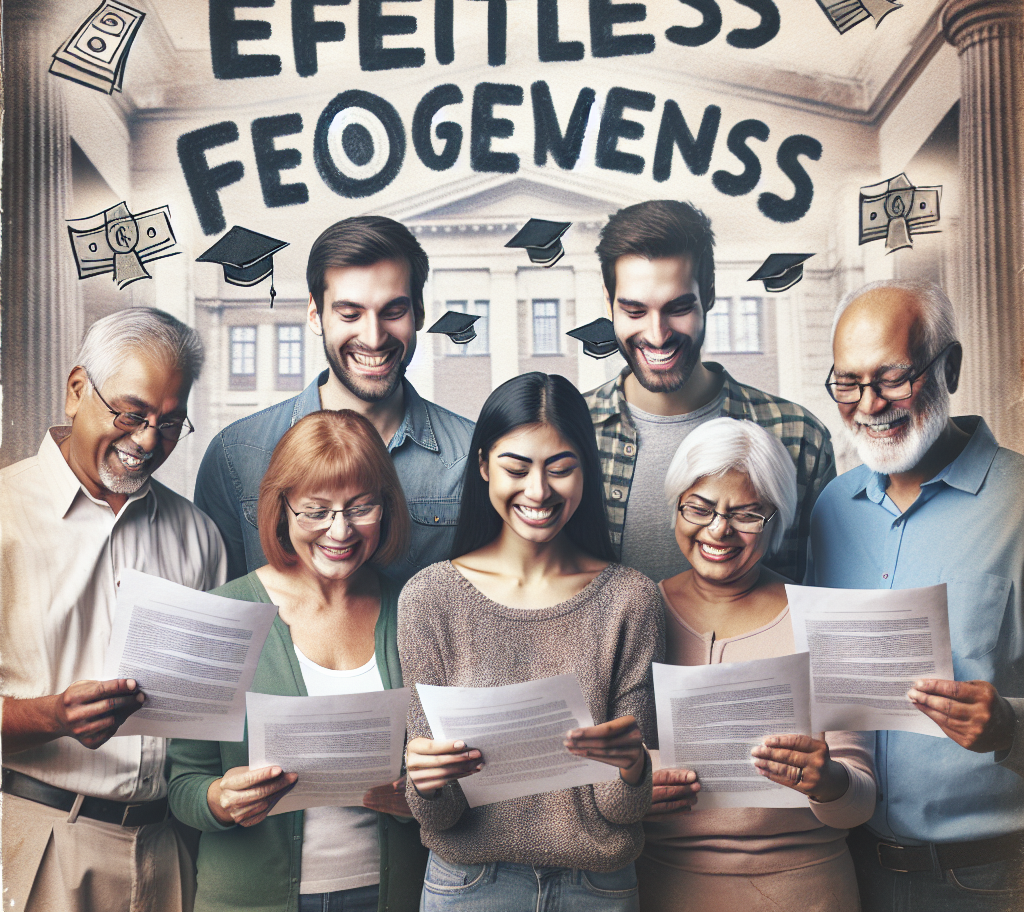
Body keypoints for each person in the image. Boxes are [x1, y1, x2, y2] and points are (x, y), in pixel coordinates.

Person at [398, 372, 664, 911]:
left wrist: (633, 767)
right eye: (516, 469)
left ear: (586, 469)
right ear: (483, 467)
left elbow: (622, 809)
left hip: (598, 889)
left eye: (560, 469)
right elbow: (440, 814)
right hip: (469, 885)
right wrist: (424, 782)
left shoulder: (630, 599)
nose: (538, 491)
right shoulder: (430, 599)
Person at [807, 279, 1024, 911]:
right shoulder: (832, 509)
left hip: (989, 879)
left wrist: (1010, 725)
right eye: (848, 383)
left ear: (949, 366)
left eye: (892, 378)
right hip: (853, 872)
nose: (869, 404)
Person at [0, 307, 226, 912]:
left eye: (170, 423)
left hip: (168, 850)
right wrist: (51, 715)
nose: (149, 440)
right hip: (37, 841)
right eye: (131, 413)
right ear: (77, 391)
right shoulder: (4, 514)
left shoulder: (198, 535)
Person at [168, 409, 428, 912]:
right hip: (249, 900)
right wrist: (221, 800)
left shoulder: (416, 610)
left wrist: (417, 799)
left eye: (360, 508)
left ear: (386, 508)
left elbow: (449, 774)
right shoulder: (223, 616)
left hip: (393, 896)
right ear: (281, 508)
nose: (340, 530)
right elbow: (183, 786)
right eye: (315, 510)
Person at [636, 418, 875, 912]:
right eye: (699, 508)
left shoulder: (824, 620)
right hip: (662, 890)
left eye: (746, 514)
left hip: (807, 893)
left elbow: (861, 802)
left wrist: (828, 780)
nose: (719, 529)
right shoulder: (635, 612)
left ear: (777, 517)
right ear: (676, 506)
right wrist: (631, 785)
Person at [195, 215, 474, 583]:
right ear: (316, 315)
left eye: (393, 312)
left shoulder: (473, 456)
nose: (373, 338)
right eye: (350, 313)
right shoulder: (235, 454)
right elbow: (216, 605)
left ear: (418, 312)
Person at [584, 199, 835, 584]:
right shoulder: (570, 433)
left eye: (678, 308)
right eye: (634, 311)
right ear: (608, 301)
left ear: (710, 294)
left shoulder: (800, 438)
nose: (657, 335)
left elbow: (829, 596)